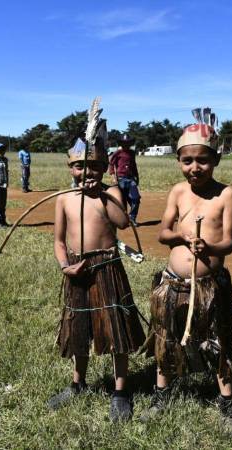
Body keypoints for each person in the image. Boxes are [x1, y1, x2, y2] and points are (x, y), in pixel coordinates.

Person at [140, 111, 232, 436]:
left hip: (210, 286)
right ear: (179, 161)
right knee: (166, 338)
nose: (194, 167)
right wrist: (184, 238)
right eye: (187, 161)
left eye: (202, 160)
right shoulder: (177, 192)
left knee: (218, 341)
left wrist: (209, 248)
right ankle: (161, 395)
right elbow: (162, 233)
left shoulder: (226, 195)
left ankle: (227, 404)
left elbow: (228, 243)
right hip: (174, 283)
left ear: (216, 160)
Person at [47, 119, 146, 423]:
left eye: (92, 167)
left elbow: (122, 222)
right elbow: (59, 241)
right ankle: (77, 383)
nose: (86, 173)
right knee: (79, 329)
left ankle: (120, 390)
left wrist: (102, 195)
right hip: (77, 270)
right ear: (70, 168)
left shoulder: (112, 192)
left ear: (103, 169)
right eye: (79, 167)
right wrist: (65, 265)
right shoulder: (64, 199)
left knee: (116, 329)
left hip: (106, 268)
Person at [109, 134, 141, 226]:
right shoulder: (117, 153)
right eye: (124, 143)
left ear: (130, 143)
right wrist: (113, 177)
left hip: (131, 179)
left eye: (127, 143)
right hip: (121, 179)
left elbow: (134, 165)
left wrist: (137, 177)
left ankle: (132, 218)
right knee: (122, 200)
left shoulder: (132, 153)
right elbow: (111, 164)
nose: (126, 144)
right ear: (121, 143)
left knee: (135, 198)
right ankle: (124, 220)